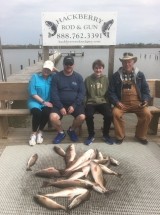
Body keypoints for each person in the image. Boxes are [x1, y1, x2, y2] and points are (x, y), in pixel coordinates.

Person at [108, 52, 152, 145]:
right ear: (122, 63)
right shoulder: (116, 76)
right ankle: (120, 136)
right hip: (122, 102)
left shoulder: (140, 74)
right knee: (115, 113)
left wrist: (145, 100)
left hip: (137, 103)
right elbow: (111, 92)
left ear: (133, 62)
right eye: (125, 62)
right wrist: (116, 102)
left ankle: (140, 135)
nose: (127, 64)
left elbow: (146, 90)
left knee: (147, 114)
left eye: (129, 62)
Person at [50, 55, 85, 144]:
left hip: (74, 104)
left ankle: (71, 130)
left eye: (70, 64)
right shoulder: (56, 77)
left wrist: (74, 106)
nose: (68, 66)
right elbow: (54, 94)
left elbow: (81, 94)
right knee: (53, 117)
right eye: (66, 64)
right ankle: (61, 132)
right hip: (60, 104)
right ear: (63, 64)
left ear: (73, 65)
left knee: (82, 117)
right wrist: (61, 107)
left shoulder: (78, 77)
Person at [84, 59, 113, 145]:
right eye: (96, 68)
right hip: (91, 102)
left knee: (109, 115)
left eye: (100, 68)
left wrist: (109, 103)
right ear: (93, 69)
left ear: (103, 69)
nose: (98, 70)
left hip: (102, 102)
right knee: (88, 115)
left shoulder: (106, 79)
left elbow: (108, 93)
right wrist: (84, 103)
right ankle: (91, 135)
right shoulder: (88, 79)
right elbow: (84, 93)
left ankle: (106, 134)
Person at [28, 60, 57, 146]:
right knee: (37, 113)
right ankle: (33, 134)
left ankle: (40, 132)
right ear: (42, 68)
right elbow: (33, 93)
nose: (46, 71)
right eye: (45, 68)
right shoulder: (35, 77)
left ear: (51, 70)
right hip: (35, 102)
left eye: (49, 69)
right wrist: (44, 102)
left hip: (47, 102)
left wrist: (56, 70)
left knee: (47, 112)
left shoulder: (52, 77)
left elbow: (62, 76)